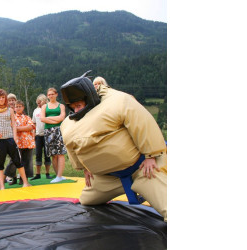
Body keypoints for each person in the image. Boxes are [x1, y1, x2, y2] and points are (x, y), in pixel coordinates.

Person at [59, 73, 167, 221]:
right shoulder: (68, 124)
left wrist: (151, 155)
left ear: (89, 98)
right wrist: (84, 168)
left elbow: (142, 123)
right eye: (73, 108)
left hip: (142, 170)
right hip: (108, 178)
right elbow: (72, 146)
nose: (76, 111)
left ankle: (147, 187)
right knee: (86, 200)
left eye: (78, 105)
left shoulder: (119, 102)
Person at [0, 89, 31, 190]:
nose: (2, 99)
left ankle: (25, 182)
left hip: (10, 139)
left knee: (17, 160)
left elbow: (14, 125)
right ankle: (2, 186)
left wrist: (15, 137)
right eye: (0, 98)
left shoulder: (10, 110)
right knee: (0, 162)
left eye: (3, 97)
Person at [37, 88, 68, 183]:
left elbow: (62, 117)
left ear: (56, 94)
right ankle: (58, 175)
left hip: (59, 130)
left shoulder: (61, 106)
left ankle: (60, 175)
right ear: (47, 96)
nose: (50, 96)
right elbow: (42, 118)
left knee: (60, 153)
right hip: (48, 131)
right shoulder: (44, 106)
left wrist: (49, 118)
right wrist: (55, 119)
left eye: (52, 94)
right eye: (49, 94)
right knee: (53, 154)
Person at [13, 100, 36, 184]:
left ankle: (23, 179)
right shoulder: (13, 117)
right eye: (16, 106)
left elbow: (31, 127)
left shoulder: (27, 117)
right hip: (17, 142)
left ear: (23, 107)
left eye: (20, 106)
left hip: (28, 142)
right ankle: (13, 177)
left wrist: (18, 128)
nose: (18, 108)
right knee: (16, 161)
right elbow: (12, 128)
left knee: (27, 161)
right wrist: (24, 127)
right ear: (14, 108)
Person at [30, 94, 52, 180]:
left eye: (40, 102)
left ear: (44, 101)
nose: (38, 104)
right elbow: (33, 122)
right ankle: (37, 174)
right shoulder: (35, 110)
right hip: (38, 135)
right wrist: (33, 133)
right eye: (37, 103)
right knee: (38, 154)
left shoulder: (48, 109)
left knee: (47, 154)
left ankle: (47, 173)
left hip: (46, 134)